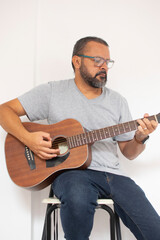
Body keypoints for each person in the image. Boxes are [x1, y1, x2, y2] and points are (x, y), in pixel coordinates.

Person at [0, 36, 160, 240]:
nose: (105, 67)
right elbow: (4, 111)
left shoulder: (118, 101)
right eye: (97, 60)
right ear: (77, 61)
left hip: (114, 176)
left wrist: (139, 137)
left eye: (108, 62)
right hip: (72, 173)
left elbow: (129, 153)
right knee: (78, 197)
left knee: (153, 229)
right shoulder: (52, 92)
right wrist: (29, 139)